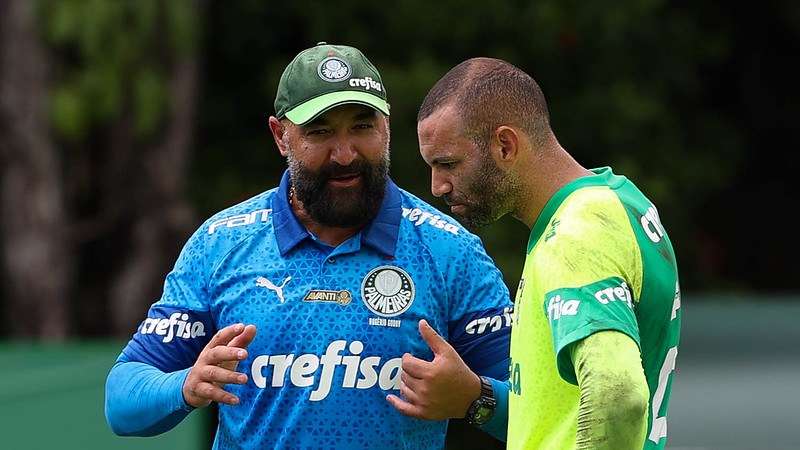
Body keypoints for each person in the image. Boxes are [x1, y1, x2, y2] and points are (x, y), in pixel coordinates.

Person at [104, 44, 513, 449]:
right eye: (320, 132)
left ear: (386, 127)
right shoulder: (221, 243)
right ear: (281, 136)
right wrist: (186, 385)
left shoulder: (449, 251)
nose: (345, 153)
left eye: (362, 127)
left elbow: (542, 405)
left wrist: (477, 399)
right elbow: (121, 401)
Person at [386, 57, 681, 450]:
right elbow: (560, 413)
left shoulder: (577, 231)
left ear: (505, 145)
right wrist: (476, 399)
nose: (437, 186)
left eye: (448, 164)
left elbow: (617, 393)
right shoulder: (619, 201)